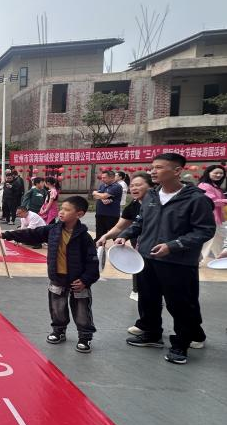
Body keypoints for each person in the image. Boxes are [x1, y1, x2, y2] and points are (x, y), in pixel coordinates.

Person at [116, 153, 216, 365]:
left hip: (178, 262)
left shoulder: (196, 199)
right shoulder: (151, 196)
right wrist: (124, 235)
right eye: (152, 167)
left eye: (159, 167)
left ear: (177, 171)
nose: (153, 171)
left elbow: (205, 231)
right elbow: (140, 222)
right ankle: (152, 334)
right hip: (147, 258)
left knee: (180, 304)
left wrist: (173, 246)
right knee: (148, 299)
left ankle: (181, 344)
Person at [0, 196, 99, 353]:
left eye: (67, 210)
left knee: (82, 310)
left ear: (79, 214)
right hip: (57, 278)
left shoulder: (84, 237)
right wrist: (6, 235)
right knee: (57, 308)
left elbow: (93, 262)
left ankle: (85, 337)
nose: (61, 212)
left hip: (79, 281)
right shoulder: (53, 230)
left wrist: (85, 280)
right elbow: (31, 234)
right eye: (61, 208)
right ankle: (59, 331)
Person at [96, 172, 154, 302]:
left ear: (152, 187)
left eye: (138, 185)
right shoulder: (133, 205)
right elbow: (120, 227)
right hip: (140, 246)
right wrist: (106, 236)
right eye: (132, 185)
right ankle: (136, 291)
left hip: (160, 249)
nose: (133, 188)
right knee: (140, 268)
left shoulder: (160, 204)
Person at [197, 164, 226, 259]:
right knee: (211, 241)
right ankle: (200, 260)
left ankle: (220, 259)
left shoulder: (214, 186)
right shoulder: (204, 185)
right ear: (208, 173)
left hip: (217, 217)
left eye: (221, 173)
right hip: (210, 217)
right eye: (216, 173)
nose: (219, 175)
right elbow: (212, 201)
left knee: (217, 240)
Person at [92, 170, 123, 239]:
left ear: (111, 177)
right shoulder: (102, 185)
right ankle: (99, 245)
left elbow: (103, 195)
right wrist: (102, 198)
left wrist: (96, 193)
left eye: (104, 178)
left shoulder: (116, 186)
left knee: (115, 235)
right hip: (100, 214)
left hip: (111, 215)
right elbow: (95, 196)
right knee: (99, 235)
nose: (102, 179)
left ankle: (118, 246)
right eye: (102, 177)